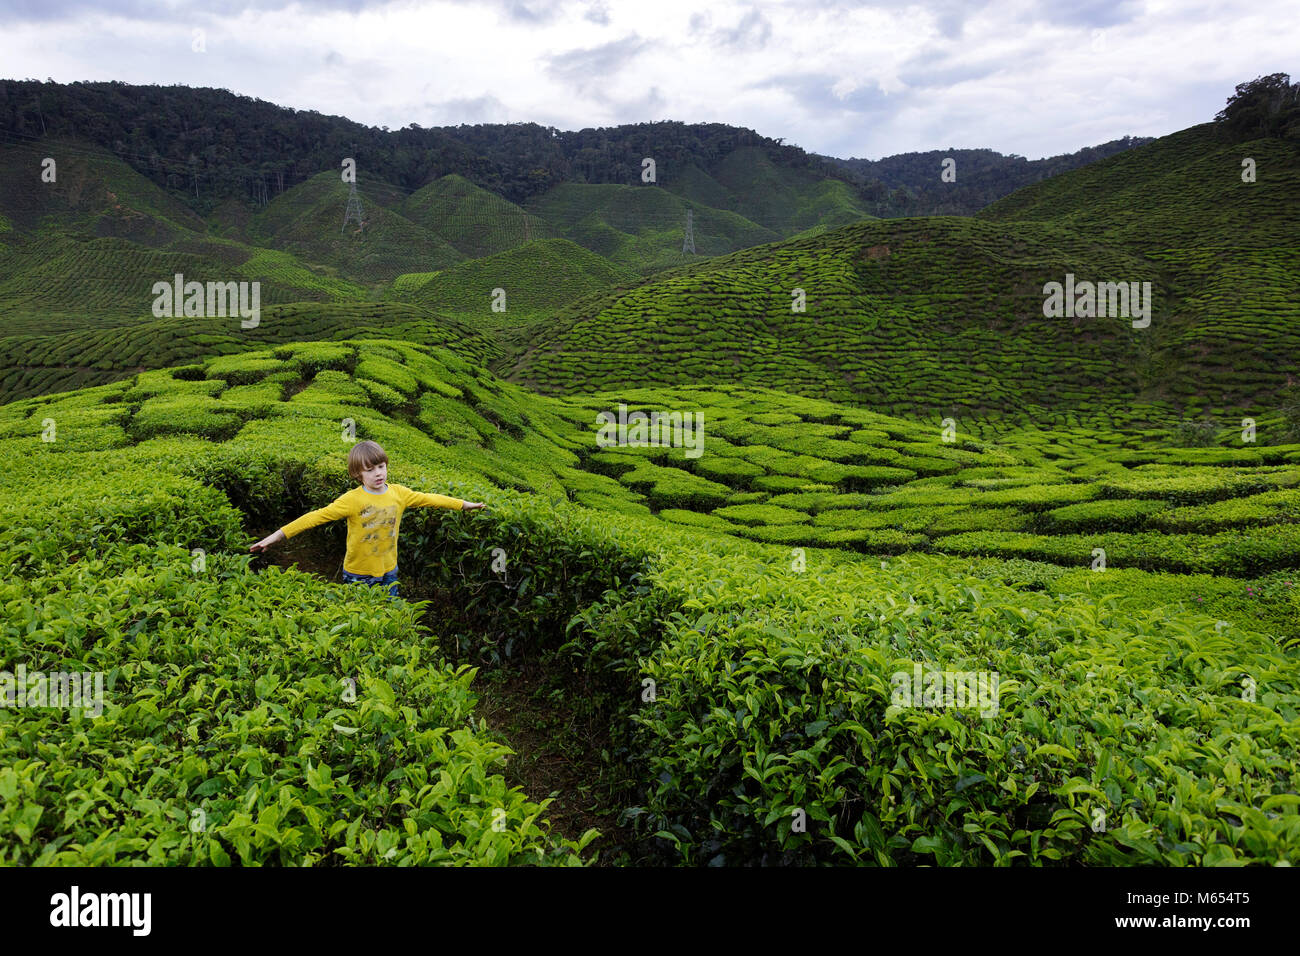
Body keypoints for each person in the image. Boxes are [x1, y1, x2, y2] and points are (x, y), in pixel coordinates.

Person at [249, 440, 485, 598]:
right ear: (357, 474)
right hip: (358, 574)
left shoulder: (399, 494)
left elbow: (429, 499)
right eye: (370, 470)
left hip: (389, 570)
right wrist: (275, 537)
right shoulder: (352, 500)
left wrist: (464, 505)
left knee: (389, 617)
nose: (378, 473)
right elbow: (315, 517)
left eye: (381, 466)